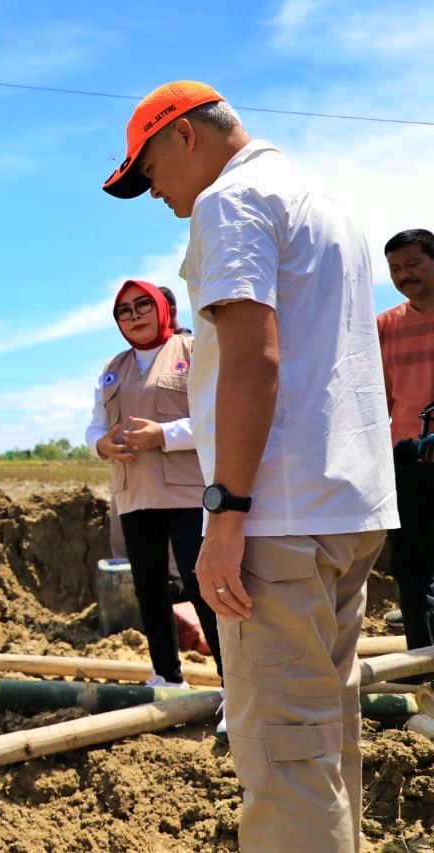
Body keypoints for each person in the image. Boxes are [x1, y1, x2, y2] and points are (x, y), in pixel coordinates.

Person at [102, 81, 398, 852]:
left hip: (277, 516)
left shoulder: (228, 203)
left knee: (281, 755)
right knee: (325, 735)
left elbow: (252, 357)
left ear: (185, 137)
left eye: (149, 172)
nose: (157, 195)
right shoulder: (325, 203)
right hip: (347, 507)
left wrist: (227, 512)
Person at [86, 280, 221, 687]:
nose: (135, 315)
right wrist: (101, 444)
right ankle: (166, 675)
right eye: (124, 311)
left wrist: (163, 435)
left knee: (202, 586)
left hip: (187, 490)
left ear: (163, 308)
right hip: (134, 493)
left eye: (143, 305)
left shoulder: (195, 351)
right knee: (148, 587)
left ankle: (233, 685)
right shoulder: (113, 367)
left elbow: (216, 416)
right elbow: (95, 425)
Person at [377, 229, 434, 657]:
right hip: (407, 459)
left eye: (412, 264)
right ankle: (420, 665)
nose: (403, 275)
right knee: (411, 567)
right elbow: (378, 397)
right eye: (395, 269)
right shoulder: (384, 327)